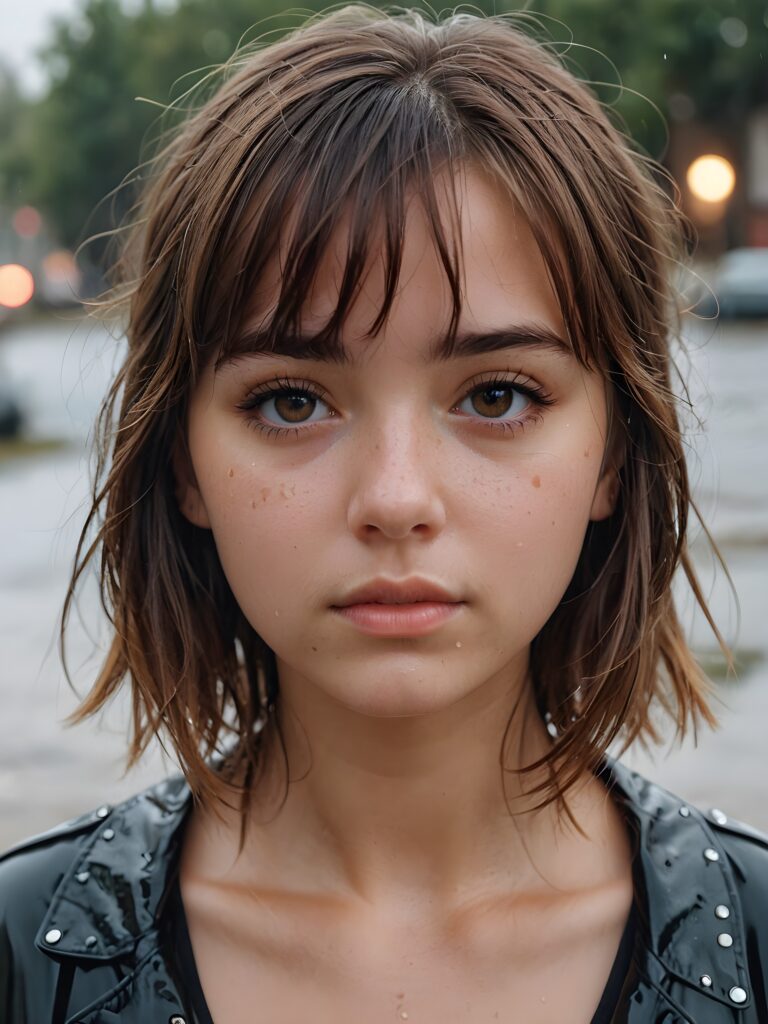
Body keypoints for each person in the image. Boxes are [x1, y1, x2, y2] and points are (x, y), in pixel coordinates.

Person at [1, 6, 766, 1022]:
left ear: (615, 455)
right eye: (290, 401)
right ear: (183, 459)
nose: (396, 499)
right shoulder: (23, 957)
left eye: (497, 396)